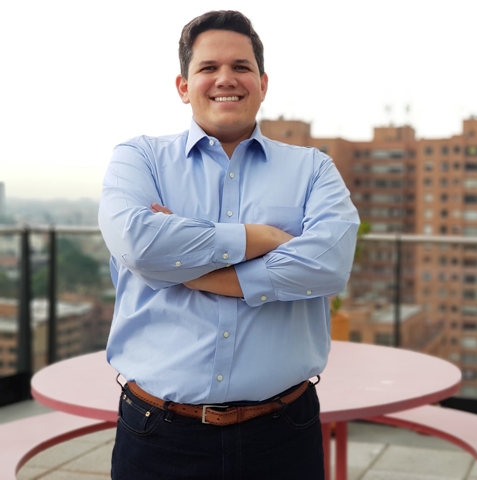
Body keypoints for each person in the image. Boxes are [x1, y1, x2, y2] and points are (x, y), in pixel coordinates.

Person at [98, 10, 359, 480]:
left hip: (283, 434)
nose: (226, 79)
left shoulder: (313, 169)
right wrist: (262, 238)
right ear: (183, 86)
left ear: (262, 83)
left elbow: (328, 264)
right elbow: (138, 244)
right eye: (208, 67)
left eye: (241, 67)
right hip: (157, 434)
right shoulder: (140, 159)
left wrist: (190, 269)